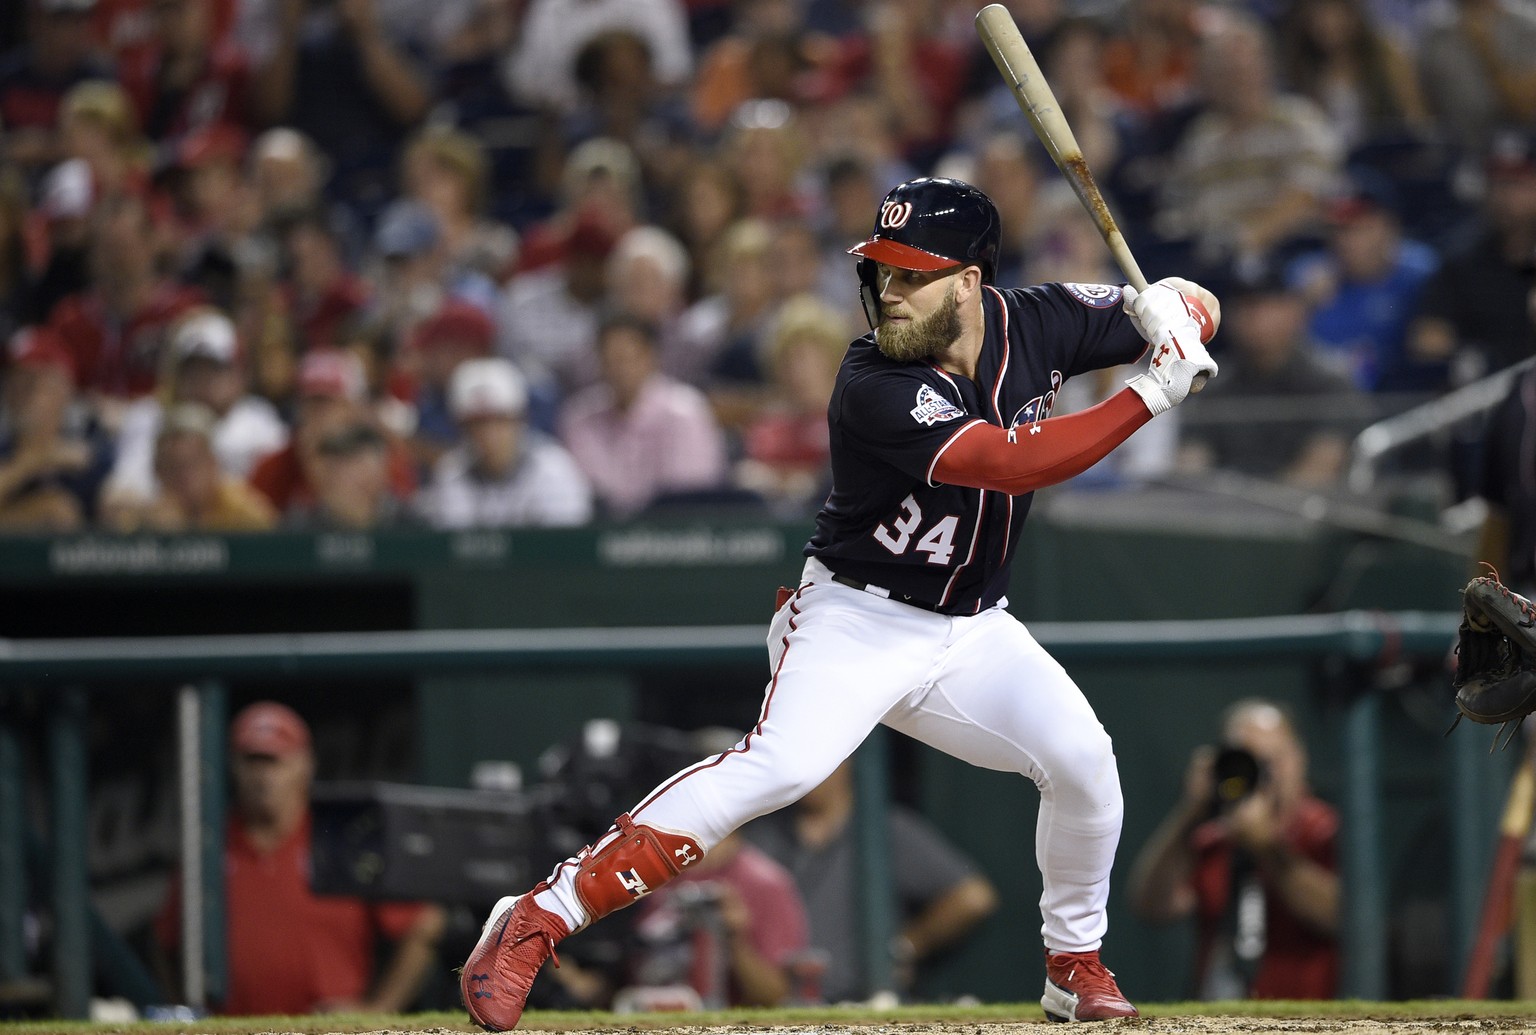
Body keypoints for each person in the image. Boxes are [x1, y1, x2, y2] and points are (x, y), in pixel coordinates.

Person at [459, 176, 1220, 1029]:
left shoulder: (1038, 319)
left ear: (971, 280)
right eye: (883, 272)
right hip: (856, 617)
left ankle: (1072, 964)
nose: (888, 294)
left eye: (912, 275)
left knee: (1087, 764)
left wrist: (1174, 308)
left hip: (971, 628)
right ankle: (536, 915)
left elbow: (1192, 306)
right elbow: (1011, 462)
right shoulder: (873, 379)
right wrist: (1151, 391)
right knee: (780, 767)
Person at [155, 701, 446, 1015]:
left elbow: (424, 925)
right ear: (234, 766)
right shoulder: (211, 844)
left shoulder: (339, 838)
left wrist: (379, 1008)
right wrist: (184, 1009)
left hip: (324, 1026)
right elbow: (165, 939)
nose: (263, 775)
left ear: (304, 764)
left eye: (275, 761)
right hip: (233, 1025)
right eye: (253, 761)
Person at [1125, 698, 1340, 1000]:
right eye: (1248, 759)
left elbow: (1340, 915)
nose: (1264, 774)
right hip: (1219, 1019)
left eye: (1272, 759)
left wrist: (1269, 850)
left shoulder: (1323, 829)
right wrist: (1192, 811)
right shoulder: (1213, 838)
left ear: (1298, 758)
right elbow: (1154, 905)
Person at [741, 758, 999, 1004]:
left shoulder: (883, 829)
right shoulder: (764, 833)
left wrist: (906, 945)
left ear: (845, 762)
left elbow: (973, 897)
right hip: (778, 998)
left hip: (862, 999)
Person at [415, 357, 593, 529]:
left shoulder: (553, 468)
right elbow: (452, 548)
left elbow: (563, 550)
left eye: (500, 420)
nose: (489, 434)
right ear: (462, 428)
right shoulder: (451, 471)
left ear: (520, 420)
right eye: (478, 423)